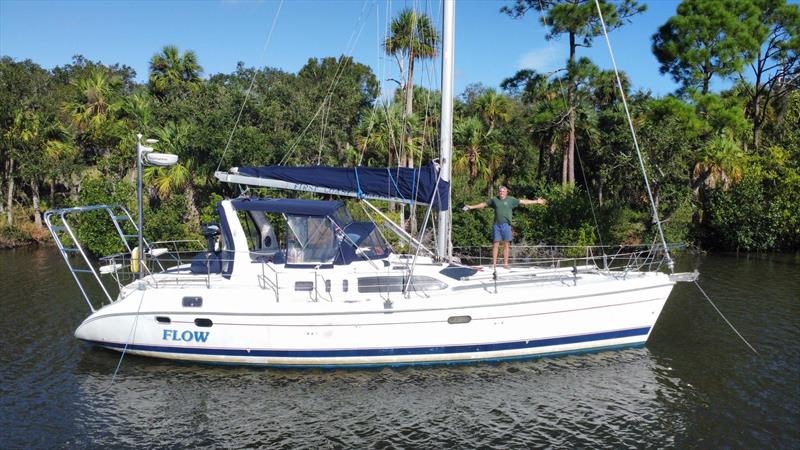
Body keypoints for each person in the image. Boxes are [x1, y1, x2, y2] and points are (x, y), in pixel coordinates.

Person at [462, 186, 547, 269]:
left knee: (506, 245)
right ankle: (494, 264)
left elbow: (523, 201)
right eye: (500, 191)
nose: (501, 193)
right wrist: (471, 207)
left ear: (506, 192)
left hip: (506, 225)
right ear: (498, 192)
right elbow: (483, 204)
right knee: (495, 244)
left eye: (503, 191)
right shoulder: (494, 200)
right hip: (496, 225)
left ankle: (506, 264)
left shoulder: (511, 200)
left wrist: (536, 201)